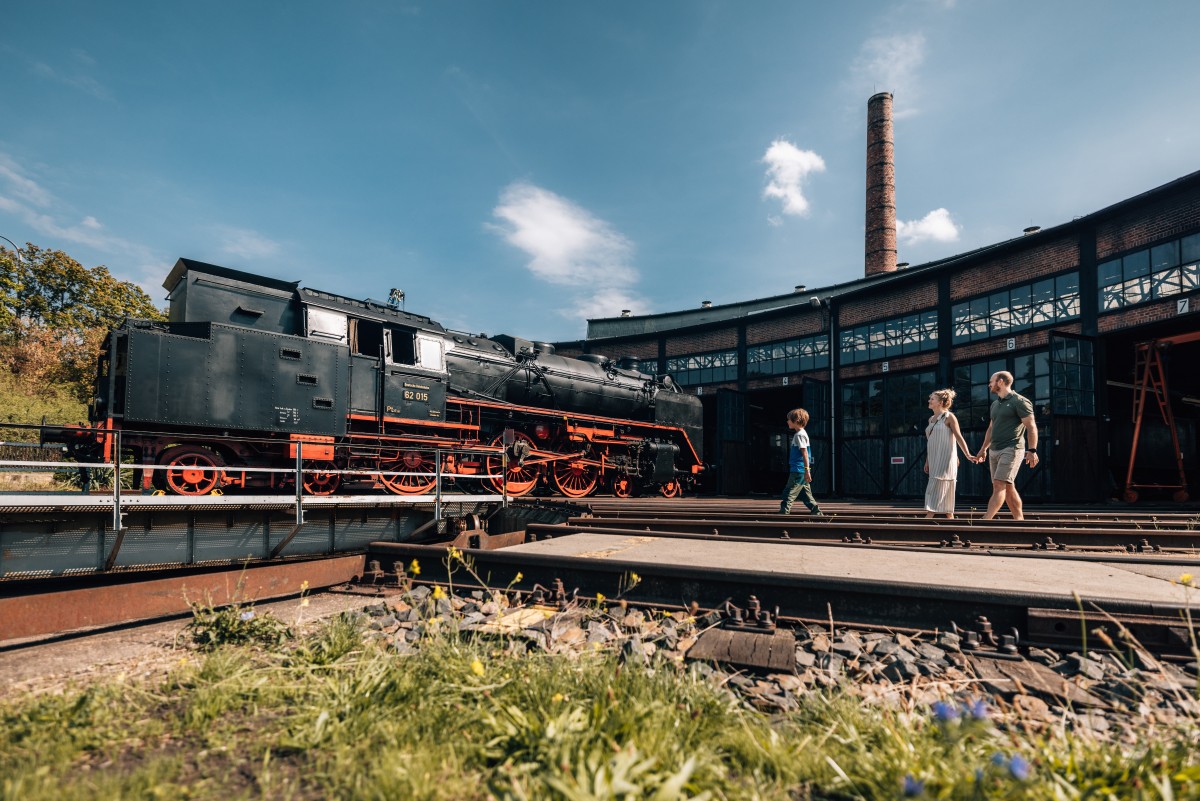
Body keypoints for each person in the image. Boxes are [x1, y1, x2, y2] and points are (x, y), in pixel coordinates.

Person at [973, 370, 1039, 520]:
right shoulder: (995, 404)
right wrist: (984, 449)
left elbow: (1031, 427)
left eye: (991, 381)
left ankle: (986, 520)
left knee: (999, 485)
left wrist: (1032, 450)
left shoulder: (1019, 401)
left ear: (1000, 382)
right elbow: (991, 428)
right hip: (994, 450)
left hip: (1012, 448)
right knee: (1008, 487)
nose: (989, 384)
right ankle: (1019, 520)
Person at [922, 388, 975, 518]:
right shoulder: (931, 419)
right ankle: (949, 517)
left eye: (932, 399)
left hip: (946, 457)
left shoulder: (949, 417)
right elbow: (931, 441)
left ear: (940, 402)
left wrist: (967, 454)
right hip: (934, 457)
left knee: (942, 483)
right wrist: (927, 460)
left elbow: (958, 437)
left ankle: (930, 514)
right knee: (937, 482)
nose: (929, 400)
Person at [779, 407, 823, 516]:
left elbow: (805, 453)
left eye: (789, 419)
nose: (787, 421)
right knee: (805, 494)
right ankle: (817, 513)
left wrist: (807, 470)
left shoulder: (800, 435)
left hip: (798, 470)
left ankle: (783, 513)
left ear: (796, 421)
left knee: (789, 492)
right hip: (800, 469)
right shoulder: (801, 434)